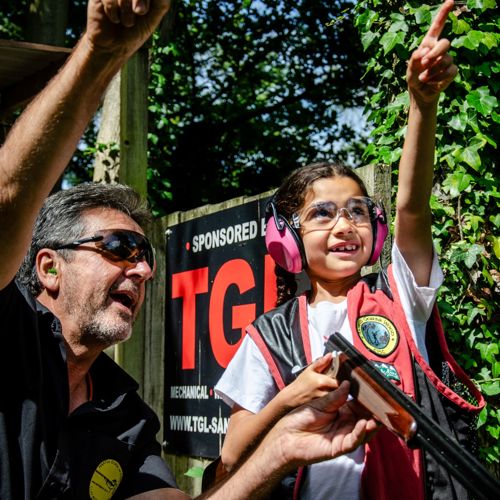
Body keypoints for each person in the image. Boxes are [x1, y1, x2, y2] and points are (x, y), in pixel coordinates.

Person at [0, 1, 378, 498]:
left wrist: (278, 451)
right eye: (120, 247)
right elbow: (7, 195)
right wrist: (98, 55)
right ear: (49, 267)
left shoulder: (127, 416)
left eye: (146, 256)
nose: (142, 270)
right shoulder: (7, 330)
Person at [215, 1, 485, 499]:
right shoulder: (268, 336)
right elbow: (231, 456)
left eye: (358, 211)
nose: (344, 224)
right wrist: (289, 399)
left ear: (375, 230)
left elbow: (414, 209)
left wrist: (422, 103)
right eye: (322, 214)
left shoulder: (402, 297)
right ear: (286, 239)